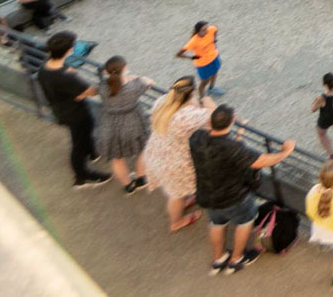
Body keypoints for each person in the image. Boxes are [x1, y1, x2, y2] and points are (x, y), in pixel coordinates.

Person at [189, 104, 293, 275]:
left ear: (210, 121)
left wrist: (236, 131)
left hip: (208, 194)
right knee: (244, 223)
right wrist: (285, 152)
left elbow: (221, 145)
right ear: (231, 122)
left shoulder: (197, 138)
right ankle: (236, 259)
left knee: (216, 224)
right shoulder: (233, 149)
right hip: (235, 197)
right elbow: (262, 161)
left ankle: (219, 258)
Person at [37, 31, 109, 187]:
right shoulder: (67, 76)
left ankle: (92, 153)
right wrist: (80, 89)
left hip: (61, 109)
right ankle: (81, 176)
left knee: (83, 135)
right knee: (78, 144)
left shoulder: (44, 67)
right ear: (69, 50)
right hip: (76, 114)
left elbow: (63, 89)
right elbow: (93, 91)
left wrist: (78, 93)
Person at [147, 76, 210, 231]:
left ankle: (185, 199)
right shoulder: (188, 115)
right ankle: (176, 222)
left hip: (159, 152)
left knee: (178, 191)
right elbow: (213, 115)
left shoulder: (162, 102)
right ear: (192, 92)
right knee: (175, 195)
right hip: (176, 162)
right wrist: (205, 100)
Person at [98, 56, 153, 192]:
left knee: (117, 158)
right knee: (142, 150)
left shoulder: (103, 86)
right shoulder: (134, 86)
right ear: (125, 68)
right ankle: (141, 179)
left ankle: (128, 186)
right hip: (133, 123)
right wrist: (136, 78)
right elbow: (148, 82)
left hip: (110, 125)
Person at [176, 21, 222, 99]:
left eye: (206, 28)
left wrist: (214, 39)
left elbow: (215, 29)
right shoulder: (194, 41)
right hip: (203, 64)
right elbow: (179, 54)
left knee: (215, 72)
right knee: (204, 82)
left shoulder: (210, 29)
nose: (206, 31)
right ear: (198, 31)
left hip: (214, 57)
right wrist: (191, 57)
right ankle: (202, 98)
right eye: (203, 30)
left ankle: (211, 88)